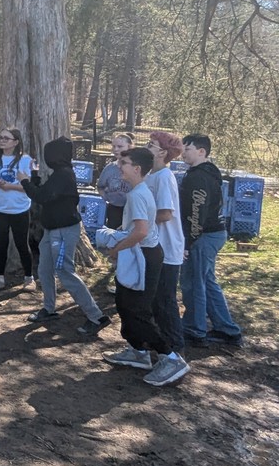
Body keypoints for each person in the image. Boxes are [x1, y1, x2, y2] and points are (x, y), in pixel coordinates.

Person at [102, 148, 190, 387]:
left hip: (144, 255)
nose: (119, 166)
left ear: (137, 168)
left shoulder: (138, 195)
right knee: (124, 303)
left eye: (124, 162)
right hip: (139, 253)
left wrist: (116, 248)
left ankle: (170, 357)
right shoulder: (138, 191)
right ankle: (138, 351)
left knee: (137, 309)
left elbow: (140, 231)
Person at [19, 137, 110, 334]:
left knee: (65, 272)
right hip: (51, 229)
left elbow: (42, 196)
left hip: (63, 231)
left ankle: (97, 317)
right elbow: (44, 193)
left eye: (49, 153)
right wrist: (34, 176)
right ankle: (49, 308)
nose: (46, 158)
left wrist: (24, 182)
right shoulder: (58, 174)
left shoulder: (64, 175)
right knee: (44, 270)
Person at [178, 134, 243, 348]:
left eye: (187, 149)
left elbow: (197, 214)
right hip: (212, 233)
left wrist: (188, 242)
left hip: (204, 236)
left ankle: (194, 329)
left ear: (201, 152)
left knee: (194, 282)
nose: (183, 152)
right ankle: (227, 329)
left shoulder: (199, 177)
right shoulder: (205, 172)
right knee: (206, 281)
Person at [145, 131, 186, 353]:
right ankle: (160, 343)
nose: (146, 147)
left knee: (165, 301)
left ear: (162, 152)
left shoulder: (164, 177)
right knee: (154, 300)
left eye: (150, 145)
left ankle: (175, 347)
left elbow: (165, 214)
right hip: (154, 247)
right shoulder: (151, 175)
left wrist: (139, 224)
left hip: (167, 249)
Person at [0, 128, 35, 286]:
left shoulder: (25, 160)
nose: (2, 140)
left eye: (6, 138)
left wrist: (11, 186)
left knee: (22, 244)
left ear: (16, 142)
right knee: (1, 244)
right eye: (0, 137)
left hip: (20, 209)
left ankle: (29, 278)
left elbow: (29, 187)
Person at [97, 133, 134, 229]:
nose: (116, 149)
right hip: (113, 209)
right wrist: (106, 198)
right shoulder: (110, 168)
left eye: (120, 146)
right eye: (113, 146)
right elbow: (100, 186)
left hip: (131, 209)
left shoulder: (136, 168)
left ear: (129, 147)